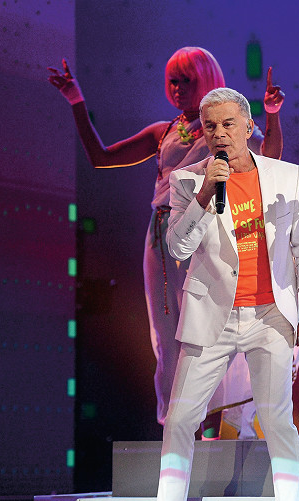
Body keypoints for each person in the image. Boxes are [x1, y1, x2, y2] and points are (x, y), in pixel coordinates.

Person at [47, 47, 285, 428]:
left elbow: (269, 156)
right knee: (166, 332)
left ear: (205, 80)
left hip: (204, 230)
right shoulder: (163, 131)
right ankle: (178, 425)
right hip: (160, 234)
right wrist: (76, 101)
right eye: (172, 80)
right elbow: (101, 157)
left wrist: (272, 113)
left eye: (185, 80)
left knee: (206, 329)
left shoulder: (226, 126)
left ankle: (211, 426)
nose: (176, 87)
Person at [131, 87, 299, 501]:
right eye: (210, 126)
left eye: (228, 124)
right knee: (180, 417)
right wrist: (203, 195)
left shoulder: (287, 176)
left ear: (249, 125)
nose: (219, 133)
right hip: (211, 316)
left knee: (277, 417)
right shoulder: (187, 180)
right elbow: (178, 247)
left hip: (271, 316)